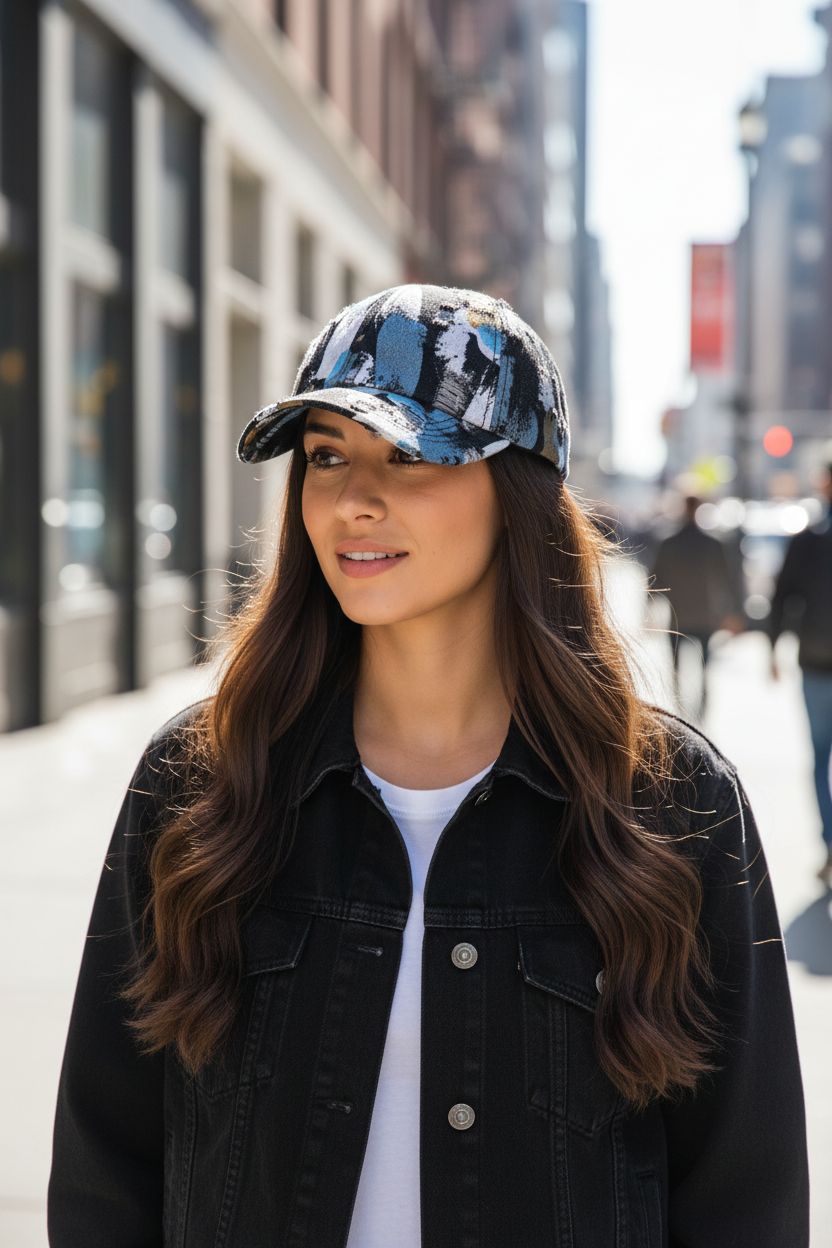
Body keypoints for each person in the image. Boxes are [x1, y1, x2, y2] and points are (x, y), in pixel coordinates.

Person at [49, 286, 807, 1247]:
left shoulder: (670, 802)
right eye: (326, 456)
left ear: (518, 489)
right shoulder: (202, 780)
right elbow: (105, 1167)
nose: (352, 500)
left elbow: (746, 1197)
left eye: (409, 455)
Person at [770, 465, 832, 887]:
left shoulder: (809, 538)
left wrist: (773, 649)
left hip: (815, 659)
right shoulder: (807, 537)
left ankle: (830, 844)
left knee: (820, 756)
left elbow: (782, 595)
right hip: (814, 661)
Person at [651, 495, 743, 714]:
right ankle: (702, 704)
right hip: (705, 615)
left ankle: (678, 706)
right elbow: (729, 580)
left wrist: (649, 608)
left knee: (676, 666)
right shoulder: (712, 543)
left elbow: (654, 579)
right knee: (705, 664)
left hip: (678, 615)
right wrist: (734, 611)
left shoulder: (669, 543)